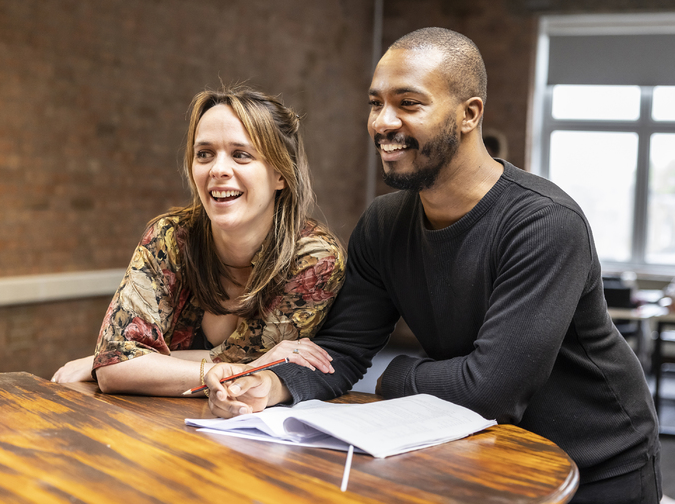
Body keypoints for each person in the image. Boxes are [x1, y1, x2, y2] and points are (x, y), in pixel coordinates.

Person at [204, 28, 662, 503]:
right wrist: (272, 385)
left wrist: (397, 375)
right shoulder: (383, 224)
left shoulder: (544, 224)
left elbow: (491, 390)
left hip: (599, 463)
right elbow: (343, 348)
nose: (383, 122)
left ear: (469, 114)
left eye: (408, 103)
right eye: (375, 103)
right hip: (485, 453)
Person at [52, 85, 345, 396]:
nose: (218, 169)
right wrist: (248, 369)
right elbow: (115, 369)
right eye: (204, 154)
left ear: (281, 174)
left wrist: (137, 363)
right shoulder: (170, 237)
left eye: (241, 155)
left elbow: (122, 362)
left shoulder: (314, 260)